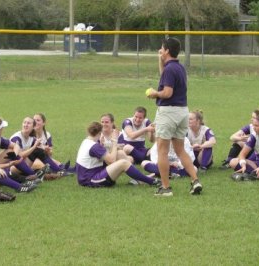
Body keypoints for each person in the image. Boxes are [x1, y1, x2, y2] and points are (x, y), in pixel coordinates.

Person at [146, 37, 203, 196]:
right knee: (180, 150)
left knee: (162, 150)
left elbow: (167, 92)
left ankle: (165, 188)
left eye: (162, 49)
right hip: (182, 112)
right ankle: (195, 180)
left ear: (167, 51)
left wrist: (154, 93)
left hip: (168, 112)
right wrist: (160, 60)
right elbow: (165, 76)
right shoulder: (178, 67)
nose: (160, 51)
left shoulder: (170, 69)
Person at [75, 121, 160, 188]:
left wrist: (105, 145)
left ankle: (139, 178)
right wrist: (114, 141)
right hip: (90, 180)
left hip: (85, 177)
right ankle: (150, 181)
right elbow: (111, 160)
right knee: (124, 163)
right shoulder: (94, 146)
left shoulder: (86, 141)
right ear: (100, 133)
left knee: (119, 154)